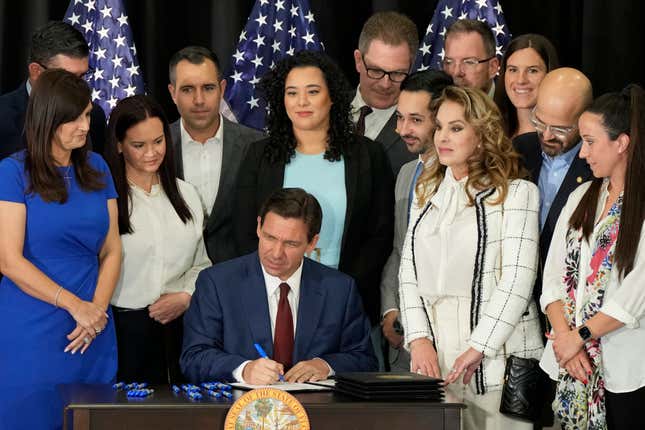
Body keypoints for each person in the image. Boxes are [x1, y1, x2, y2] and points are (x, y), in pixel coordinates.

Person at [399, 86, 543, 429]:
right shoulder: (425, 192)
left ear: (482, 135)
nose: (442, 137)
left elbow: (517, 281)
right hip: (436, 357)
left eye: (456, 127)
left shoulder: (517, 193)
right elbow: (408, 272)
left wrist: (478, 348)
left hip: (499, 360)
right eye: (439, 127)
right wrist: (418, 339)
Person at [233, 50, 394, 330]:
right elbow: (245, 229)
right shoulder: (259, 155)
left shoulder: (368, 155)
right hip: (275, 298)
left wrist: (342, 289)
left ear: (332, 96)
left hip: (346, 301)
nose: (302, 102)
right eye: (292, 93)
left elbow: (379, 234)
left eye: (312, 91)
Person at [0, 69, 120, 429]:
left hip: (92, 326)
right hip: (32, 326)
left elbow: (112, 249)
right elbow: (8, 259)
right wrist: (75, 306)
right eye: (73, 118)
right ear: (48, 119)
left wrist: (96, 311)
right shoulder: (12, 172)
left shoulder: (97, 167)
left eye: (86, 114)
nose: (85, 126)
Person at [181, 188, 377, 383]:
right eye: (270, 238)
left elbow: (364, 359)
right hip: (240, 409)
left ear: (312, 243)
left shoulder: (339, 289)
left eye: (290, 244)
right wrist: (244, 370)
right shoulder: (217, 283)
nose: (276, 253)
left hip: (315, 410)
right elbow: (194, 358)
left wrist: (325, 365)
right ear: (259, 227)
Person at [540, 85, 645, 430]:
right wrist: (566, 339)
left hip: (625, 368)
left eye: (590, 141)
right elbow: (552, 278)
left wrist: (578, 336)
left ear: (621, 143)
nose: (582, 153)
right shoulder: (582, 196)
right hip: (572, 359)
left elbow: (634, 296)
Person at [104, 95, 211, 384]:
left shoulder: (186, 194)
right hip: (121, 329)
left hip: (180, 328)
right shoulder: (105, 200)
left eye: (158, 141)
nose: (151, 153)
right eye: (139, 145)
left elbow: (202, 263)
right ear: (119, 145)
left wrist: (186, 296)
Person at [379, 70, 452, 371]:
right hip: (403, 342)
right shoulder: (406, 174)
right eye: (399, 117)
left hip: (449, 341)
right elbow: (399, 249)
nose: (403, 129)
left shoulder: (465, 178)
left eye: (416, 120)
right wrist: (390, 308)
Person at [167, 46, 264, 264]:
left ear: (222, 89)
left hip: (240, 280)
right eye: (188, 89)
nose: (199, 100)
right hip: (172, 283)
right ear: (173, 93)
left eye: (208, 88)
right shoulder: (156, 148)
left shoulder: (257, 146)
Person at [514, 68, 594, 330]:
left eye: (560, 128)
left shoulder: (597, 168)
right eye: (539, 122)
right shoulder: (517, 152)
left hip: (568, 312)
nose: (546, 135)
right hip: (518, 310)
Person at [0, 21, 106, 161]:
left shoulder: (94, 116)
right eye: (68, 77)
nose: (78, 85)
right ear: (36, 71)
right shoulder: (3, 118)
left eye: (82, 76)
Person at [352, 11, 419, 175]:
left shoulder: (422, 132)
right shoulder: (326, 111)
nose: (385, 84)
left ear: (411, 68)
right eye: (375, 70)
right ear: (358, 61)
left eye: (397, 73)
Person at [494, 34, 559, 138]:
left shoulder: (561, 141)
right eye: (513, 70)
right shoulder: (491, 135)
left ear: (549, 73)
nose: (521, 80)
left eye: (532, 71)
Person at [443, 19, 499, 96]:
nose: (456, 72)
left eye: (469, 62)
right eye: (449, 62)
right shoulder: (434, 104)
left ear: (492, 67)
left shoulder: (515, 105)